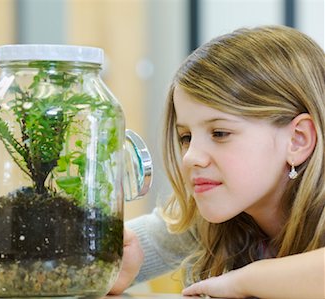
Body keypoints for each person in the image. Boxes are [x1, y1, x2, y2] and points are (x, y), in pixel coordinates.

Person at [110, 25, 325, 299]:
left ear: (297, 140)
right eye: (186, 137)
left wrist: (244, 281)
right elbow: (110, 250)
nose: (191, 157)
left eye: (220, 133)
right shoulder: (207, 222)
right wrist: (108, 268)